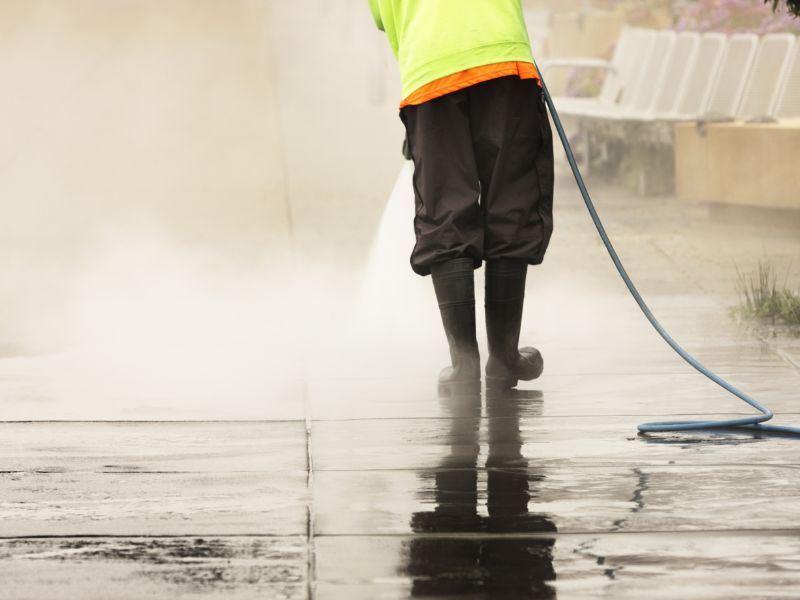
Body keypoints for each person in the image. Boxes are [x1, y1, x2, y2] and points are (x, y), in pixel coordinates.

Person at [368, 0, 554, 392]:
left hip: (429, 72)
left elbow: (386, 19)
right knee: (513, 201)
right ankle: (504, 357)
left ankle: (463, 365)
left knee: (446, 209)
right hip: (502, 62)